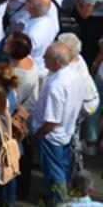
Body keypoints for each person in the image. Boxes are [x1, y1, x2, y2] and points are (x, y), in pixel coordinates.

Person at [33, 43, 86, 202]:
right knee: (62, 168)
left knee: (54, 173)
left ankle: (59, 201)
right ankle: (59, 198)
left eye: (46, 57)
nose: (43, 58)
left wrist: (39, 134)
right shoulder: (75, 75)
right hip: (66, 132)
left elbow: (51, 121)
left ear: (56, 62)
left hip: (52, 137)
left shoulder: (56, 85)